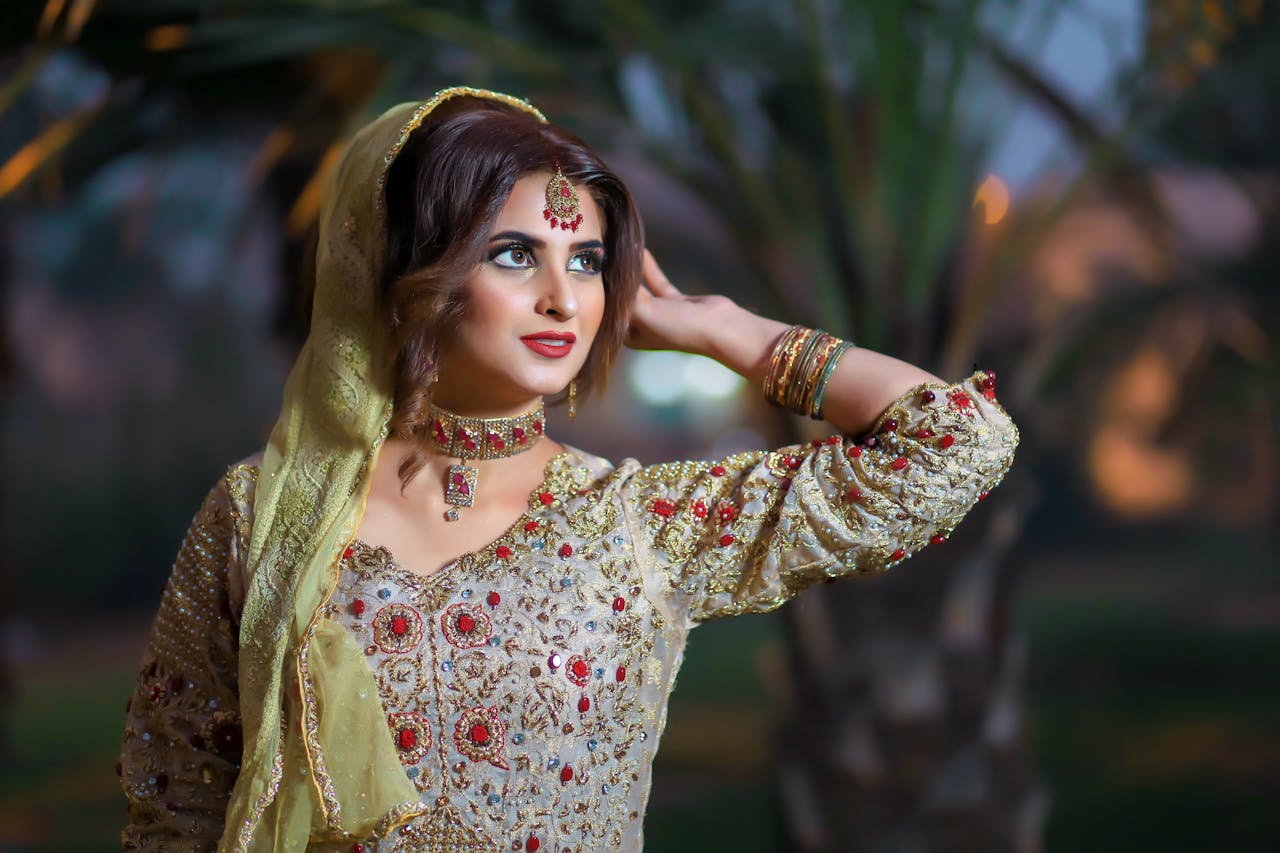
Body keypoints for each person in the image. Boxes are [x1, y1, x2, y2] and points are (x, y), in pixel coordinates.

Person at [119, 86, 1018, 852]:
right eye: (515, 254)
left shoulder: (642, 524)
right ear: (409, 270)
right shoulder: (261, 517)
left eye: (587, 262)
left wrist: (724, 330)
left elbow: (960, 444)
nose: (564, 297)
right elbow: (177, 806)